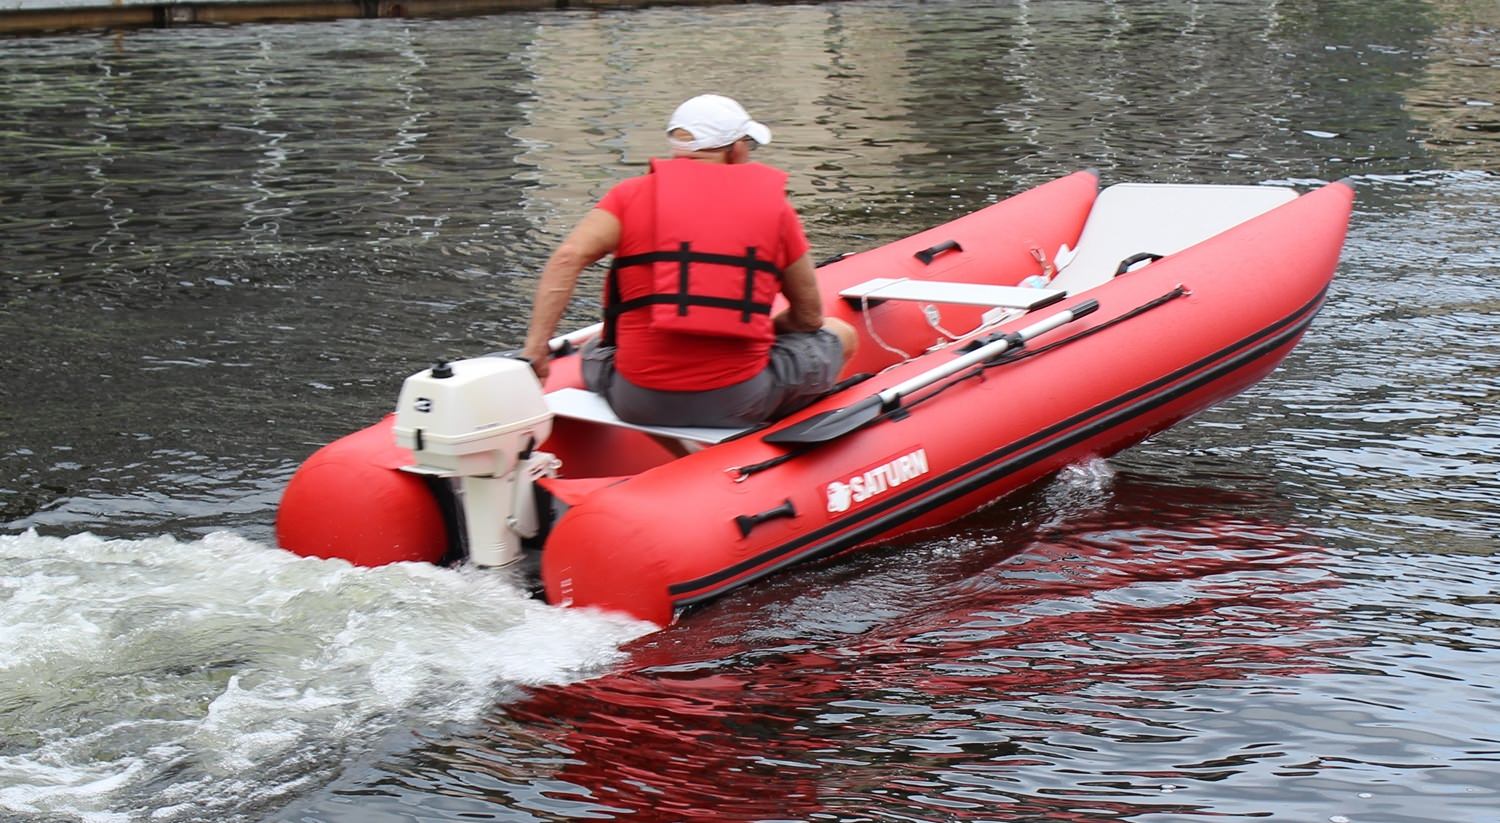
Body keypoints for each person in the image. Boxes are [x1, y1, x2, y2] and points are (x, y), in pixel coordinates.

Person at [521, 94, 857, 428]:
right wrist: (761, 329)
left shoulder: (627, 197)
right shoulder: (776, 210)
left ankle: (674, 448)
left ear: (677, 148)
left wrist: (536, 350)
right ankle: (780, 443)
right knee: (841, 333)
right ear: (737, 148)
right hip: (740, 397)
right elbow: (809, 317)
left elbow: (566, 258)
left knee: (595, 348)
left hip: (634, 400)